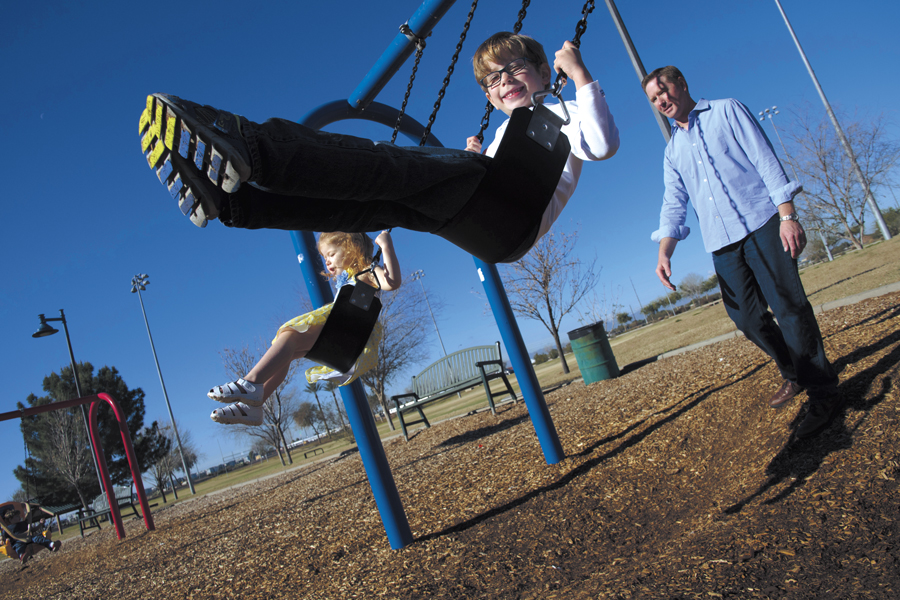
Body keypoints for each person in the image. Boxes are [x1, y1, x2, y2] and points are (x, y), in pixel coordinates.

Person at [138, 32, 619, 264]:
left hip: (510, 220)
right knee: (367, 208)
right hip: (488, 229)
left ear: (541, 71)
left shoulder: (565, 110)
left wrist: (579, 77)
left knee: (385, 165)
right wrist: (480, 156)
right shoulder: (504, 135)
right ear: (489, 98)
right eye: (494, 80)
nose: (505, 81)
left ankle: (248, 145)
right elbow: (503, 171)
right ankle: (235, 203)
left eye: (516, 69)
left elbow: (601, 146)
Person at [643, 66, 841, 440]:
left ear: (682, 84)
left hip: (763, 222)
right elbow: (674, 203)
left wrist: (787, 216)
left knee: (788, 306)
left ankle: (824, 393)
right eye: (653, 98)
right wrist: (664, 251)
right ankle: (794, 371)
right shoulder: (673, 151)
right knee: (747, 318)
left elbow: (764, 158)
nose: (661, 101)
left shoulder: (726, 111)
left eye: (664, 90)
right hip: (722, 242)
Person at [209, 230, 400, 426]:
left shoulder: (367, 272)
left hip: (348, 334)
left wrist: (385, 245)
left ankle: (251, 382)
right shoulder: (349, 277)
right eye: (325, 257)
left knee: (290, 337)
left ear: (352, 247)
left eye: (331, 254)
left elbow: (392, 282)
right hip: (340, 334)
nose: (327, 261)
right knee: (286, 348)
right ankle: (254, 406)